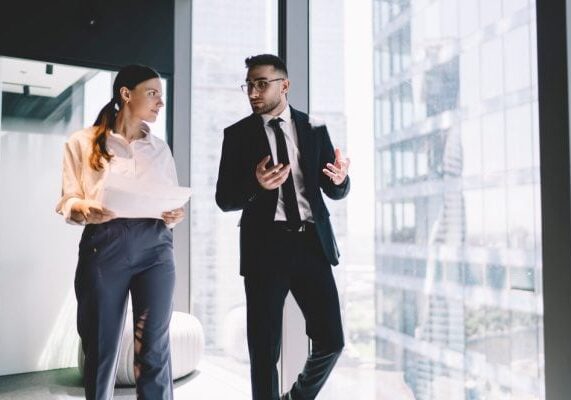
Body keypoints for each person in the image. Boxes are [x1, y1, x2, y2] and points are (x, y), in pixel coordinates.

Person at [215, 54, 351, 400]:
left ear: (284, 86)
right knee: (263, 353)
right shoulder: (237, 135)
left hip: (311, 245)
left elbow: (332, 189)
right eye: (249, 85)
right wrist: (255, 184)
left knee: (332, 341)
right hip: (265, 249)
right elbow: (224, 198)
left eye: (262, 84)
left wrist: (341, 180)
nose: (253, 93)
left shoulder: (314, 128)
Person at [55, 64, 185, 400]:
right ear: (126, 94)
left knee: (154, 349)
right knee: (100, 347)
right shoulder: (81, 143)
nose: (160, 102)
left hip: (156, 249)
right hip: (104, 247)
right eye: (153, 93)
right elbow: (68, 199)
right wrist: (87, 209)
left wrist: (175, 213)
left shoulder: (160, 149)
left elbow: (167, 199)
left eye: (162, 95)